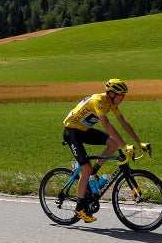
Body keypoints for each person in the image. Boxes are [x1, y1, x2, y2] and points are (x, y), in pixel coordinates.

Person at [62, 78, 151, 223]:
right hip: (72, 131)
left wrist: (138, 142)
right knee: (86, 169)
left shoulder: (111, 103)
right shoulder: (99, 101)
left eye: (123, 96)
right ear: (111, 94)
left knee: (113, 144)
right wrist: (125, 145)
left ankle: (94, 172)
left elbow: (123, 123)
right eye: (120, 96)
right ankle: (79, 209)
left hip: (84, 130)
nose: (122, 99)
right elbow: (107, 125)